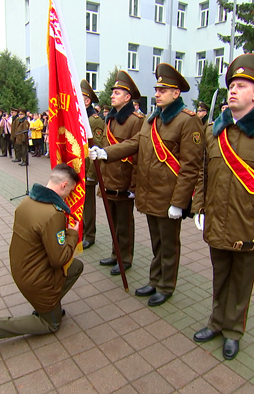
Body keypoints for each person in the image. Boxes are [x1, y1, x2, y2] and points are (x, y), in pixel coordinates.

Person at [191, 53, 254, 361]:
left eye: (242, 85)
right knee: (219, 275)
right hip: (217, 220)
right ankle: (216, 322)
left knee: (241, 281)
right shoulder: (213, 130)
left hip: (251, 223)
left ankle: (234, 331)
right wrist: (199, 207)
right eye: (232, 84)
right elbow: (203, 173)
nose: (233, 90)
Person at [90, 63, 204, 306]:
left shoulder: (187, 121)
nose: (157, 94)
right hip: (151, 193)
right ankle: (155, 280)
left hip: (170, 195)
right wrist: (106, 153)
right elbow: (134, 144)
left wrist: (179, 202)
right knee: (156, 242)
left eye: (163, 90)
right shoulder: (153, 120)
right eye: (157, 89)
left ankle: (166, 285)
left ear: (176, 93)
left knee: (169, 244)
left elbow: (190, 167)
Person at [0, 164, 84, 350]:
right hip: (36, 280)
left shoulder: (27, 201)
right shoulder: (53, 214)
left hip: (21, 268)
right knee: (51, 324)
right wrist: (73, 234)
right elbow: (58, 260)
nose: (69, 196)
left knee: (76, 266)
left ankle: (49, 306)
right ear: (64, 185)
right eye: (70, 191)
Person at [96, 70, 143, 276]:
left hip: (124, 181)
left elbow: (136, 154)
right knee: (113, 221)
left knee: (124, 224)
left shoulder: (135, 120)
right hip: (109, 179)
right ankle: (115, 254)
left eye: (117, 92)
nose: (112, 95)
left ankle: (125, 259)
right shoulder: (110, 118)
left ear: (127, 97)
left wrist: (133, 186)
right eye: (112, 91)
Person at [80, 80, 105, 250]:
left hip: (88, 170)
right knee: (79, 202)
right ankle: (80, 231)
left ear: (87, 101)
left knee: (88, 204)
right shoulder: (78, 117)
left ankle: (90, 234)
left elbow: (96, 148)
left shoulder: (94, 120)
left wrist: (91, 173)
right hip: (77, 168)